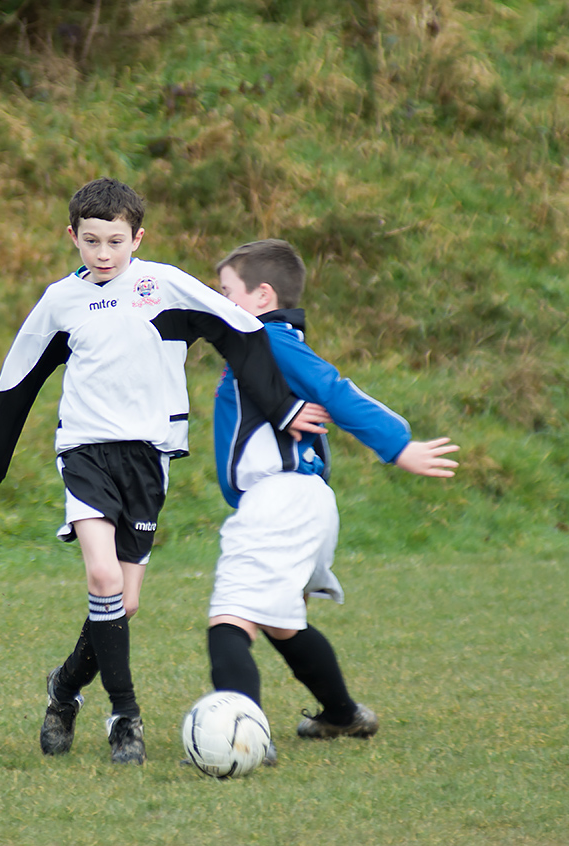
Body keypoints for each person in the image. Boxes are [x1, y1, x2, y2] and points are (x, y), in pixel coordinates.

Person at [0, 180, 322, 765]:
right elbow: (20, 373)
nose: (103, 253)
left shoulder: (163, 285)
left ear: (138, 238)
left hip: (148, 458)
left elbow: (241, 329)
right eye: (90, 241)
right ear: (72, 236)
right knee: (102, 576)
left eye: (115, 241)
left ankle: (64, 687)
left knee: (123, 603)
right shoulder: (61, 300)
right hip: (84, 451)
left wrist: (282, 406)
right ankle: (124, 718)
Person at [207, 238, 459, 759]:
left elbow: (336, 389)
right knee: (281, 623)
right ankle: (343, 716)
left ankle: (243, 738)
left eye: (226, 291)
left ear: (262, 297)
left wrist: (398, 445)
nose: (219, 300)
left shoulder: (267, 341)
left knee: (229, 618)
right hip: (306, 500)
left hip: (279, 498)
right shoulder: (266, 344)